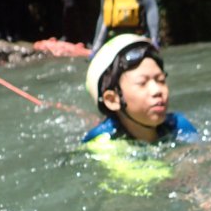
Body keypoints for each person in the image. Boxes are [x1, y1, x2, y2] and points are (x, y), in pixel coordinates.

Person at [82, 35, 197, 195]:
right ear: (112, 100)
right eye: (142, 83)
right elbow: (141, 183)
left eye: (161, 80)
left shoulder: (178, 125)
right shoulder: (104, 145)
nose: (157, 91)